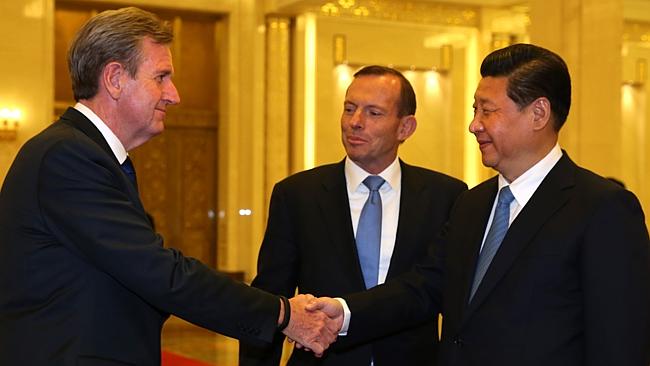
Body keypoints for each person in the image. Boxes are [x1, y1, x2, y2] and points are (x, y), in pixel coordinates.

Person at [0, 7, 338, 365]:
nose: (173, 95)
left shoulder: (87, 154)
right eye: (161, 77)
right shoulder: (67, 156)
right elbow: (160, 273)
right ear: (115, 78)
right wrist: (283, 313)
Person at [310, 43, 650, 365]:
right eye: (475, 110)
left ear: (539, 113)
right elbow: (424, 288)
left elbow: (619, 343)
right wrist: (345, 312)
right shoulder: (471, 204)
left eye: (487, 111)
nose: (474, 125)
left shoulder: (601, 209)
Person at [239, 65, 467, 365]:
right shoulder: (298, 194)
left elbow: (447, 297)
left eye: (373, 113)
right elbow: (270, 300)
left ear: (405, 128)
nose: (355, 122)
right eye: (349, 108)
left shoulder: (446, 196)